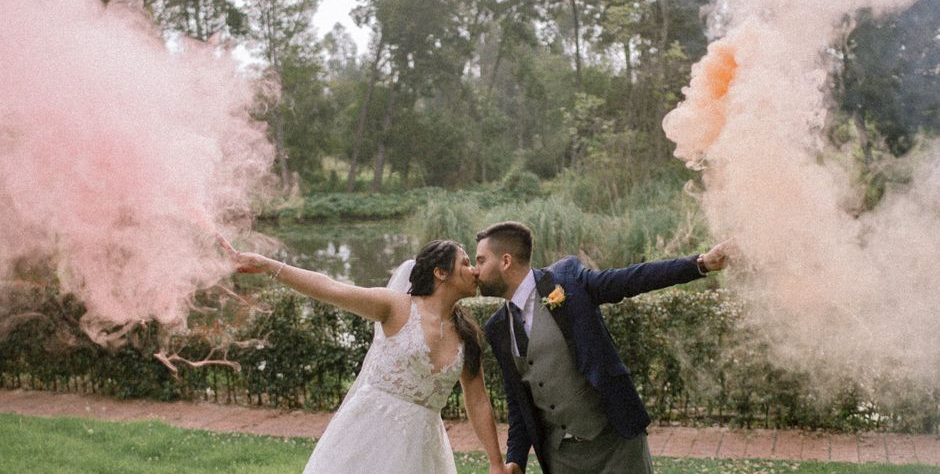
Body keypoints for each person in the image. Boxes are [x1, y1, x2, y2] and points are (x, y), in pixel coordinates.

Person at [223, 237, 520, 474]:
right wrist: (267, 265)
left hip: (424, 446)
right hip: (370, 432)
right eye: (466, 264)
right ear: (440, 272)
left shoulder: (467, 334)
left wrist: (496, 463)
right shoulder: (396, 307)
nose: (475, 271)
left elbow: (478, 399)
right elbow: (331, 288)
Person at [473, 221, 730, 474]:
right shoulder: (497, 327)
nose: (475, 270)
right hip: (561, 459)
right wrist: (515, 460)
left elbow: (632, 279)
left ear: (505, 261)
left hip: (616, 446)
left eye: (481, 260)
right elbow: (519, 402)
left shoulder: (567, 281)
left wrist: (700, 264)